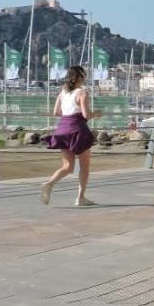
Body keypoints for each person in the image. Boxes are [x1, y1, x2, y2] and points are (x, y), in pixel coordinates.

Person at [40, 65, 101, 207]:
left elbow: (56, 112)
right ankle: (80, 198)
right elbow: (86, 115)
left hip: (63, 129)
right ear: (81, 77)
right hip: (78, 130)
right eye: (84, 75)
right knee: (84, 167)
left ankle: (49, 184)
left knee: (68, 166)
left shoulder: (63, 92)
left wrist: (69, 115)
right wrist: (97, 113)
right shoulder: (83, 92)